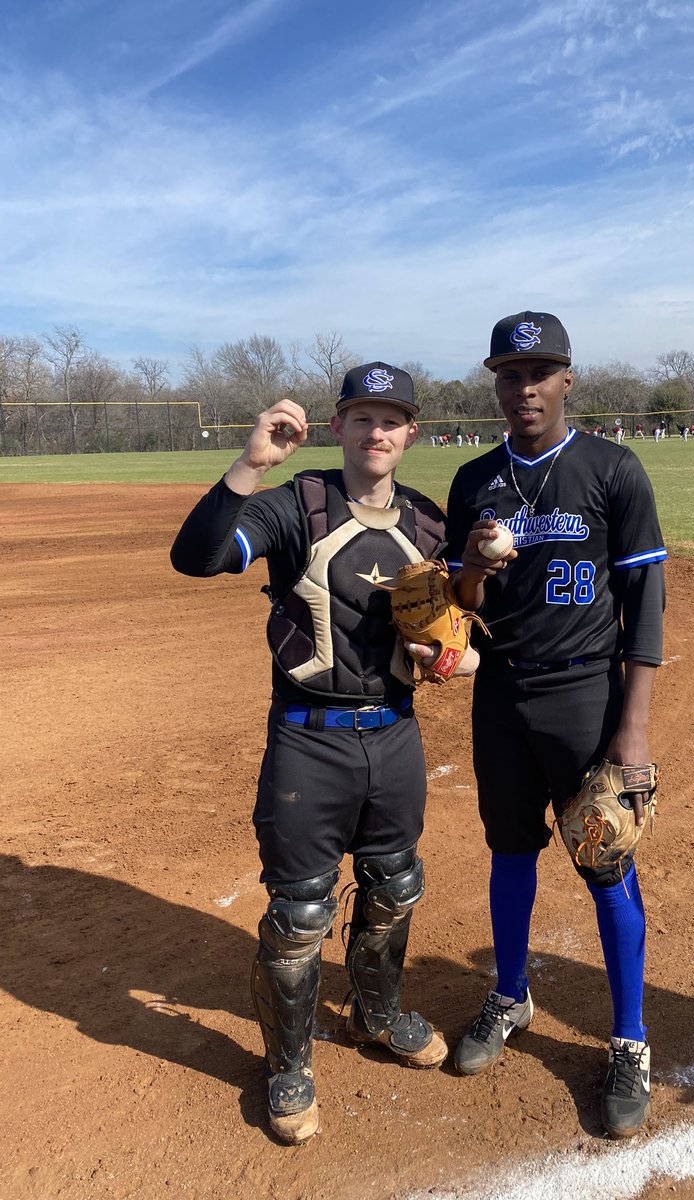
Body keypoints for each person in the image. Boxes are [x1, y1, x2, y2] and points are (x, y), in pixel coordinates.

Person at [170, 363, 456, 1146]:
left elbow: (460, 624)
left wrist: (457, 654)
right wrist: (251, 463)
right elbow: (196, 557)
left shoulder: (429, 524)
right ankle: (289, 1066)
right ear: (340, 427)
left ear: (411, 433)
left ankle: (376, 1012)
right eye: (362, 417)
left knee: (395, 883)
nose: (376, 432)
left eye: (391, 420)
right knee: (299, 913)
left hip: (395, 733)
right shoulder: (297, 506)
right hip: (307, 738)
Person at [443, 312, 667, 1139]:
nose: (524, 388)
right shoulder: (474, 479)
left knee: (605, 861)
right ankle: (510, 995)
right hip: (501, 695)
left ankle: (630, 1039)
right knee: (509, 851)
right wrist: (472, 566)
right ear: (496, 385)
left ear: (568, 378)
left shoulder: (612, 468)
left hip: (585, 697)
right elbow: (462, 600)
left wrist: (632, 731)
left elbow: (646, 604)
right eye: (509, 374)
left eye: (539, 373)